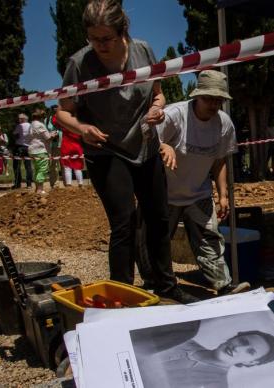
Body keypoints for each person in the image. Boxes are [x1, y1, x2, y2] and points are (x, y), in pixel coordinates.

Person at [55, 0, 195, 304]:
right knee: (124, 220)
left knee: (158, 217)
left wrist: (158, 109)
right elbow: (62, 113)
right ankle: (122, 294)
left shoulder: (144, 52)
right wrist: (83, 129)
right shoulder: (79, 64)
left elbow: (158, 94)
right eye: (93, 38)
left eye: (106, 38)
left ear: (123, 33)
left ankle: (167, 287)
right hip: (105, 150)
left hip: (144, 144)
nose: (99, 45)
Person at [157, 70, 251, 296]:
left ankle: (223, 285)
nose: (213, 105)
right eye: (208, 99)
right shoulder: (174, 116)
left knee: (210, 239)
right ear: (197, 96)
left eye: (218, 100)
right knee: (156, 240)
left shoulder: (224, 124)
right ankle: (156, 286)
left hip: (198, 194)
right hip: (164, 194)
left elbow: (219, 161)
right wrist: (163, 145)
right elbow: (148, 137)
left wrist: (223, 194)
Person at [134, 320, 274, 388]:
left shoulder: (215, 385)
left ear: (251, 362)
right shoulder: (184, 337)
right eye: (242, 341)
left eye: (250, 351)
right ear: (235, 337)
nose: (238, 348)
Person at [26, 109, 57, 195]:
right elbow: (47, 138)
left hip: (32, 150)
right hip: (40, 150)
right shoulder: (40, 125)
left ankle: (37, 189)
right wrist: (53, 134)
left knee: (36, 169)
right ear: (41, 117)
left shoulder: (30, 125)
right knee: (42, 169)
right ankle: (40, 190)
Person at [56, 115, 85, 187]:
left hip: (66, 146)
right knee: (77, 166)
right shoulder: (78, 123)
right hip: (77, 146)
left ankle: (69, 184)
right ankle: (80, 183)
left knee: (67, 166)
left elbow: (55, 119)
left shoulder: (64, 124)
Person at [13, 113, 33, 189]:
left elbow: (14, 134)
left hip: (19, 146)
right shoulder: (30, 125)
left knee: (16, 165)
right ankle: (29, 184)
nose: (18, 120)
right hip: (28, 147)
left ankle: (17, 183)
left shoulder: (19, 126)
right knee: (28, 166)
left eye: (19, 118)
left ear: (23, 119)